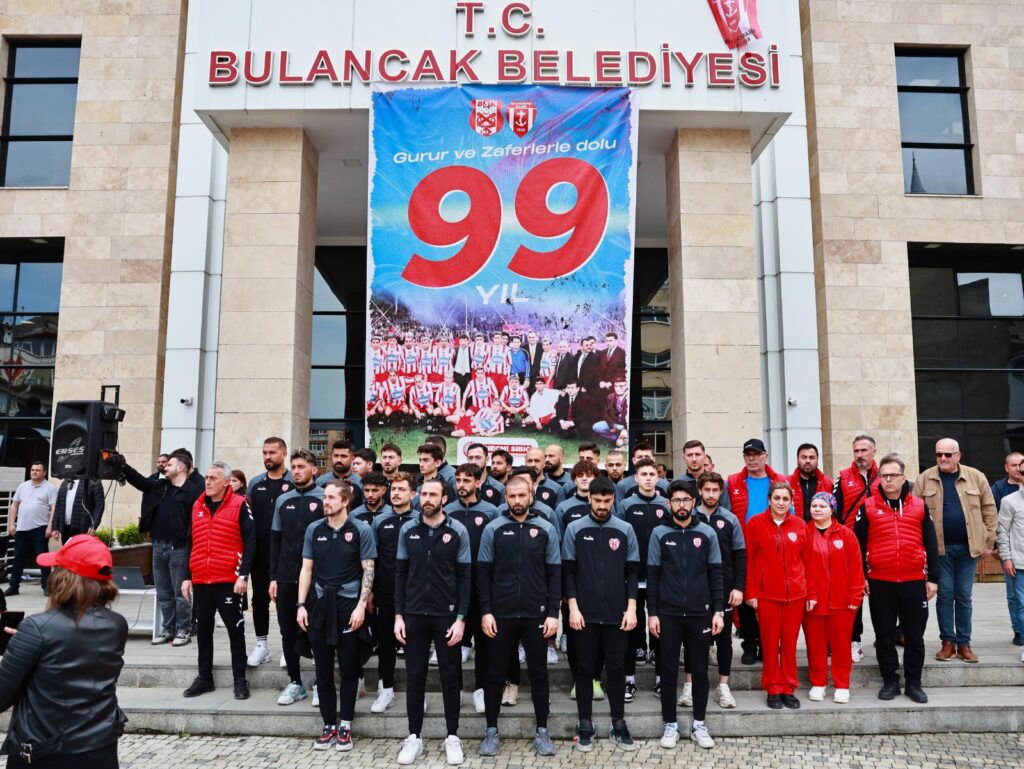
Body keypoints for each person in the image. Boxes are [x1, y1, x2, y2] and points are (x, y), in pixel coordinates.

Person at [0, 536, 128, 769]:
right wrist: (25, 644)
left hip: (46, 755)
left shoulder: (37, 628)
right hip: (100, 751)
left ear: (63, 577)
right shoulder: (117, 624)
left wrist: (23, 645)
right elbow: (75, 656)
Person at [477, 475, 561, 757]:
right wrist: (486, 612)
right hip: (500, 615)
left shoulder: (546, 528)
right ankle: (491, 731)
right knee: (495, 673)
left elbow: (554, 573)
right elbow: (483, 573)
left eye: (521, 495)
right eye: (511, 496)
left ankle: (542, 731)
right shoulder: (493, 529)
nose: (516, 501)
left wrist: (553, 613)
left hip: (536, 615)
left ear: (531, 495)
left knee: (539, 673)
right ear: (505, 498)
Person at [394, 478, 472, 766]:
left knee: (450, 677)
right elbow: (400, 575)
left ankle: (452, 736)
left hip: (446, 616)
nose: (426, 499)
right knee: (415, 677)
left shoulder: (457, 530)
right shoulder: (408, 529)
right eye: (424, 494)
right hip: (414, 614)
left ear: (444, 499)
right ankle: (414, 737)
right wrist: (398, 615)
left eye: (433, 494)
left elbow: (465, 577)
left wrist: (461, 619)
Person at [298, 480, 376, 752]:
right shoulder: (314, 529)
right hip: (320, 604)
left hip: (348, 605)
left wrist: (360, 606)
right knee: (322, 669)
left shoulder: (361, 529)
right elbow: (307, 569)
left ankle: (345, 726)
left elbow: (368, 570)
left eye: (331, 498)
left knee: (348, 669)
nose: (325, 502)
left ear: (345, 501)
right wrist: (301, 605)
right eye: (324, 497)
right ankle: (328, 725)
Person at [854, 454, 939, 703]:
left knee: (915, 637)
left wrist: (933, 578)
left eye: (893, 475)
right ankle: (890, 681)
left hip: (914, 581)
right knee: (885, 636)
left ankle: (913, 684)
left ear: (903, 478)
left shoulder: (919, 506)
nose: (888, 480)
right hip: (880, 582)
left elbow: (932, 543)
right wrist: (861, 576)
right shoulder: (868, 507)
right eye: (884, 476)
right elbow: (857, 545)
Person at [562, 476, 639, 752]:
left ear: (613, 499)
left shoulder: (625, 529)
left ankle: (618, 723)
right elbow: (568, 572)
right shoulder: (574, 529)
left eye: (607, 501)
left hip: (618, 614)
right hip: (584, 614)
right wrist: (573, 608)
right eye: (598, 501)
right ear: (589, 499)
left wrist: (632, 608)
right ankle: (585, 723)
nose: (603, 506)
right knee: (584, 669)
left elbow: (632, 572)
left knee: (616, 669)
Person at [647, 480, 724, 750]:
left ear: (694, 502)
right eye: (677, 500)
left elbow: (716, 574)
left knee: (700, 672)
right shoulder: (659, 533)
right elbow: (653, 576)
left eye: (686, 500)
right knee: (668, 672)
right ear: (669, 503)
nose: (682, 505)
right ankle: (670, 724)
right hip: (667, 615)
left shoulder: (707, 533)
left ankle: (699, 724)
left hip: (699, 614)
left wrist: (718, 611)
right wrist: (652, 613)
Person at [913, 438, 997, 664]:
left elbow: (989, 509)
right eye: (939, 454)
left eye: (948, 454)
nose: (943, 458)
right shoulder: (925, 479)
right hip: (939, 551)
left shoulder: (976, 476)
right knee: (945, 595)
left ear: (958, 456)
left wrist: (988, 540)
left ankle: (964, 643)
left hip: (969, 550)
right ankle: (948, 643)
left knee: (963, 596)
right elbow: (914, 513)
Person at [181, 462, 256, 701]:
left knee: (235, 631)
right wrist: (186, 576)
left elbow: (251, 541)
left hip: (228, 580)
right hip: (201, 579)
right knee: (203, 631)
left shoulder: (240, 504)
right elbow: (190, 541)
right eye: (207, 477)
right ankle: (204, 678)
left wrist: (243, 575)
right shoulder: (197, 505)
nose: (208, 482)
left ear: (226, 482)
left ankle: (239, 680)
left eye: (214, 478)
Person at [117, 449, 204, 645]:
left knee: (180, 592)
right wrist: (123, 466)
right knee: (163, 591)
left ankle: (183, 629)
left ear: (180, 468)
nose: (165, 466)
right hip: (158, 545)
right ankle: (168, 629)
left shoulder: (193, 491)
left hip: (179, 548)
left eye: (170, 464)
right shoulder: (161, 486)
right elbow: (140, 482)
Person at [684, 471, 745, 710]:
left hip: (724, 590)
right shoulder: (689, 518)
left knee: (724, 641)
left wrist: (738, 587)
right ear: (699, 491)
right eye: (707, 490)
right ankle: (689, 686)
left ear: (721, 492)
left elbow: (740, 555)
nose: (711, 494)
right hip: (695, 591)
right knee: (693, 640)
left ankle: (723, 686)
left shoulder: (730, 519)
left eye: (715, 490)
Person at [269, 450, 324, 706]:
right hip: (287, 575)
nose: (296, 471)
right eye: (294, 467)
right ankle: (295, 683)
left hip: (317, 577)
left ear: (314, 470)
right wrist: (273, 577)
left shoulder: (324, 497)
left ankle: (321, 683)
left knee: (316, 631)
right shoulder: (283, 500)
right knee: (287, 629)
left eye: (301, 466)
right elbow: (275, 540)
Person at [744, 481, 806, 709]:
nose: (781, 503)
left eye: (785, 499)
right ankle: (772, 688)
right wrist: (751, 591)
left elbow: (806, 560)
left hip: (796, 595)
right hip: (767, 595)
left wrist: (809, 592)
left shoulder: (799, 524)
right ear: (769, 500)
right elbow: (749, 560)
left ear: (791, 502)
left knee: (789, 644)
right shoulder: (755, 523)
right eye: (777, 498)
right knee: (770, 645)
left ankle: (788, 687)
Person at [727, 438, 787, 666]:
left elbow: (791, 512)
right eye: (748, 455)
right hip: (743, 547)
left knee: (769, 600)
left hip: (773, 549)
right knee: (746, 599)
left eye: (756, 454)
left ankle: (767, 644)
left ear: (765, 456)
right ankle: (749, 645)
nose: (751, 459)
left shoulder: (780, 481)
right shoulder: (733, 481)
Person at [443, 463, 498, 711]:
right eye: (458, 480)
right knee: (452, 644)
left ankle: (481, 690)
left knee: (484, 646)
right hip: (452, 590)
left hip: (482, 588)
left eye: (467, 480)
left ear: (478, 482)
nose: (461, 485)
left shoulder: (491, 512)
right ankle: (455, 691)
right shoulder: (447, 511)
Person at [803, 492, 864, 704]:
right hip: (813, 602)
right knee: (815, 646)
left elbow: (856, 568)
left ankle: (842, 685)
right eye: (814, 505)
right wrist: (808, 594)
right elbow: (801, 568)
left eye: (822, 506)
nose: (817, 509)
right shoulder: (804, 533)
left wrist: (855, 597)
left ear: (832, 509)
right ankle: (818, 683)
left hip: (842, 602)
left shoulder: (846, 535)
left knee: (841, 646)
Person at [617, 457, 671, 690]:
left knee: (660, 626)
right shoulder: (625, 505)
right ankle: (629, 679)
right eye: (644, 474)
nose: (648, 478)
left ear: (658, 477)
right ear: (636, 478)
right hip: (633, 576)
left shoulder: (666, 504)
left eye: (652, 474)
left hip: (661, 577)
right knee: (632, 625)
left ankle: (660, 678)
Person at [369, 473, 418, 714]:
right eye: (393, 489)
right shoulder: (379, 521)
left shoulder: (419, 520)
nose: (396, 493)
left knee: (415, 646)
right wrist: (369, 592)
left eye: (401, 489)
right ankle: (386, 689)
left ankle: (416, 693)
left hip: (415, 594)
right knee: (386, 644)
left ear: (413, 494)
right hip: (385, 592)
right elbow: (372, 560)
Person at [245, 437, 293, 667]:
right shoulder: (255, 483)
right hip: (260, 553)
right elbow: (248, 520)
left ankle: (288, 646)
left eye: (272, 452)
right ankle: (262, 645)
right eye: (265, 452)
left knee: (285, 600)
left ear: (284, 453)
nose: (267, 457)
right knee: (260, 599)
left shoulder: (293, 482)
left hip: (286, 554)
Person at [832, 435, 879, 664]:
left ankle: (885, 637)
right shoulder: (842, 477)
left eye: (864, 450)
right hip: (852, 546)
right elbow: (835, 511)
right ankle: (854, 640)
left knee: (881, 594)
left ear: (874, 451)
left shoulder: (885, 475)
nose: (859, 455)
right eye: (856, 451)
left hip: (880, 543)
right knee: (855, 594)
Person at [5, 462, 57, 597]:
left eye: (38, 470)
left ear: (44, 473)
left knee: (43, 558)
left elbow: (54, 508)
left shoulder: (50, 488)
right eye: (33, 470)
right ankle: (13, 586)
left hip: (40, 528)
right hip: (22, 528)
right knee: (18, 557)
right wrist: (11, 524)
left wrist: (50, 526)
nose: (34, 472)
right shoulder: (23, 486)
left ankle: (46, 586)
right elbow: (14, 505)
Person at [993, 452, 1024, 646]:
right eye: (1013, 465)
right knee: (1015, 597)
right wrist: (1002, 552)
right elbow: (998, 525)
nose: (1017, 469)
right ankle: (1019, 632)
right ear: (1007, 468)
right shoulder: (1000, 491)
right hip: (1014, 555)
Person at [49, 477, 104, 545]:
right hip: (65, 529)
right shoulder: (65, 482)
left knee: (81, 551)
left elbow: (99, 505)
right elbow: (58, 506)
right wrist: (55, 527)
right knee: (68, 551)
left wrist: (94, 525)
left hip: (83, 529)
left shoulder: (93, 481)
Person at [789, 443, 831, 522]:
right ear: (797, 460)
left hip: (820, 528)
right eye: (804, 457)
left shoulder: (828, 483)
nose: (808, 461)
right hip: (795, 528)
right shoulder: (788, 483)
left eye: (812, 457)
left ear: (817, 460)